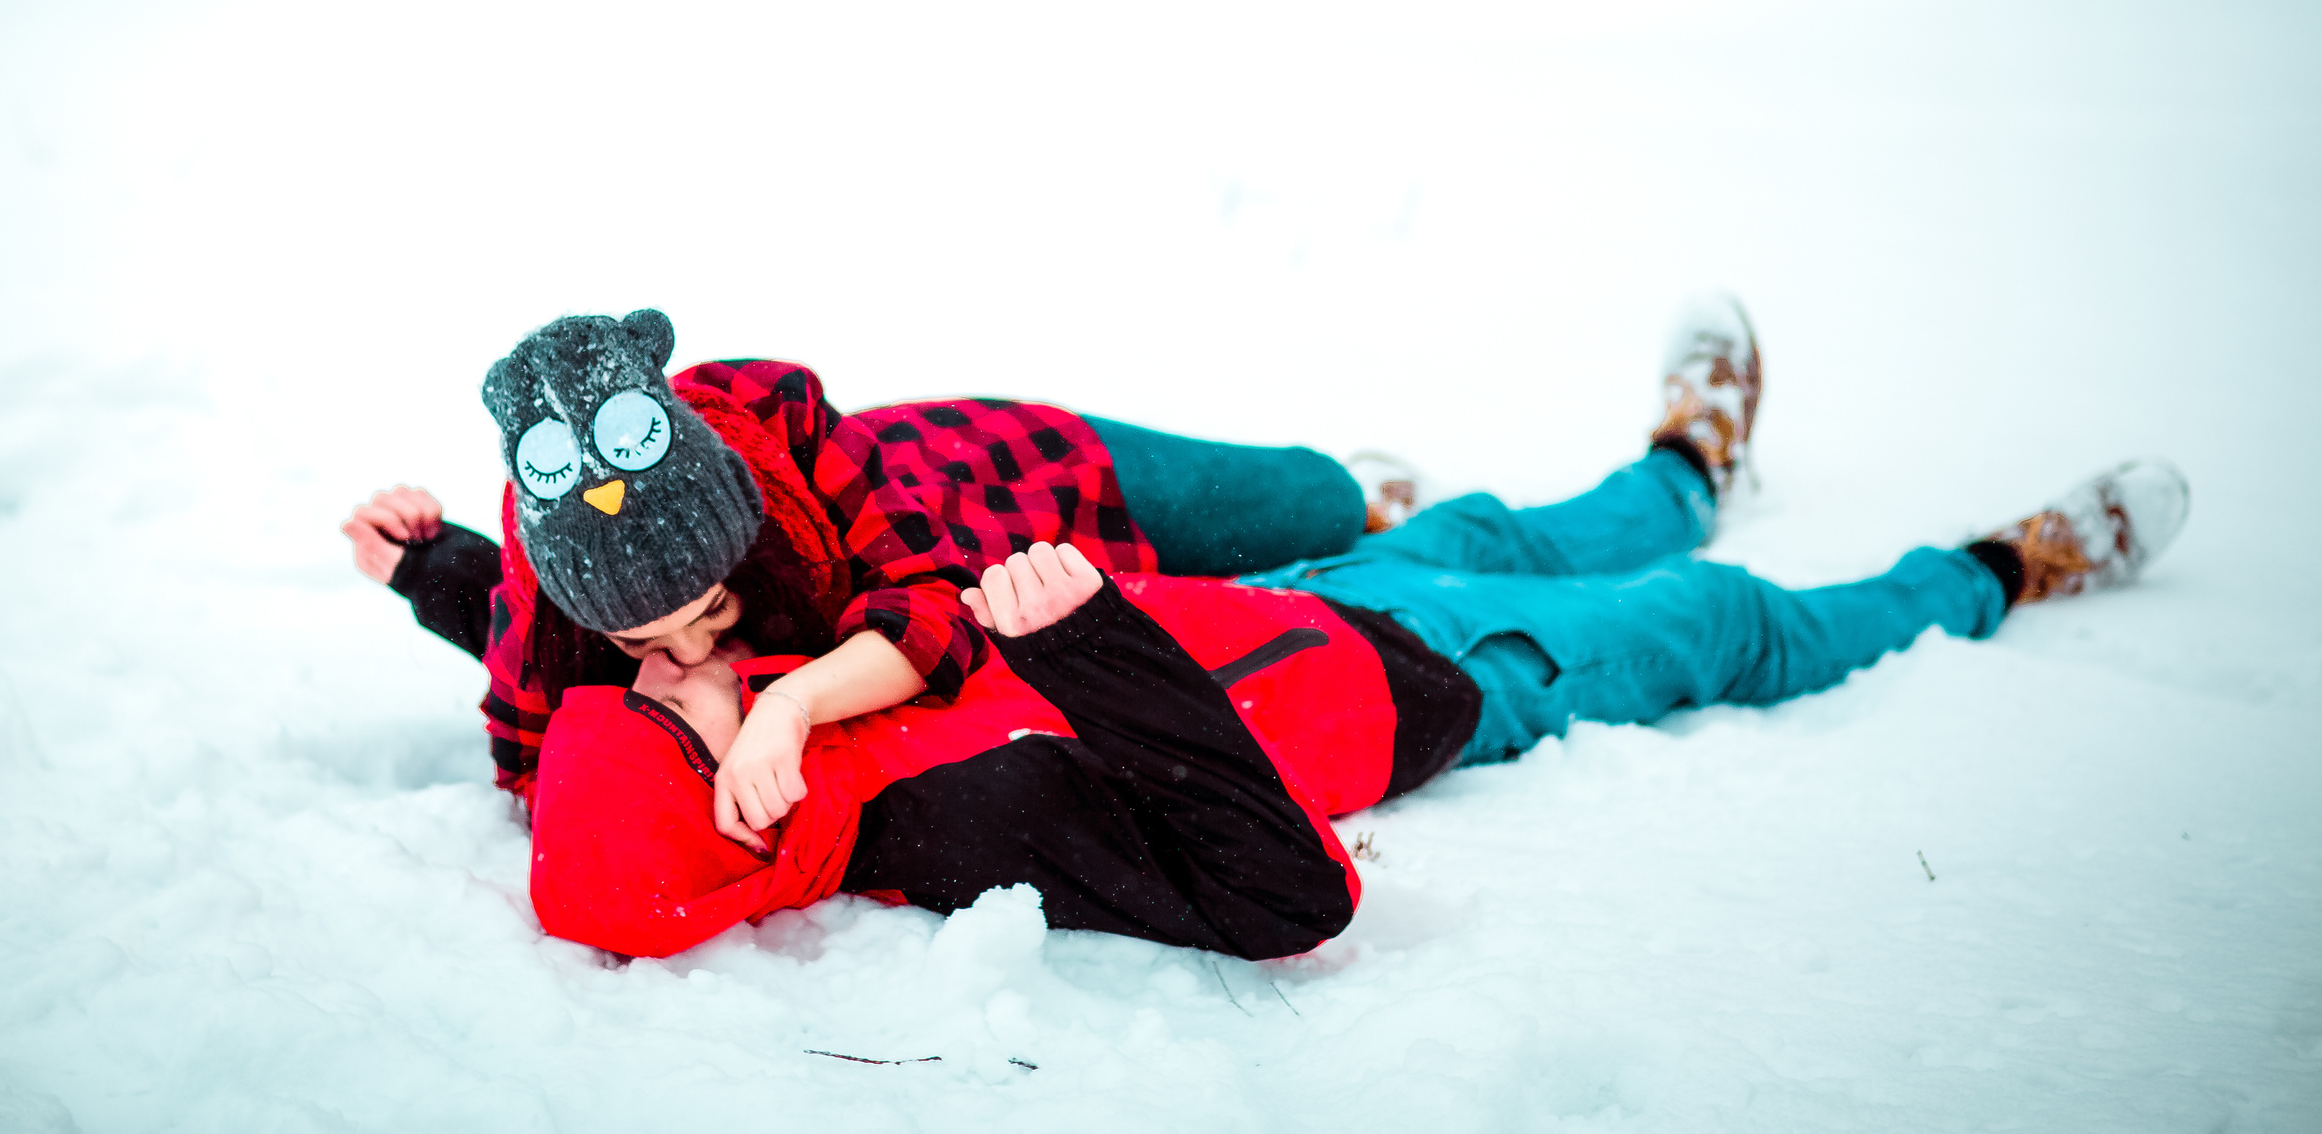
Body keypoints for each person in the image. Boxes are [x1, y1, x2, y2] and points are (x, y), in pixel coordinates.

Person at [356, 297, 2192, 960]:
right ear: (737, 828)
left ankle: (1685, 458)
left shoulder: (752, 681)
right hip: (1432, 695)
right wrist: (1088, 649)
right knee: (1703, 624)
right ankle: (1999, 567)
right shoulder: (942, 836)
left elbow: (585, 661)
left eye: (681, 656)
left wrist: (440, 573)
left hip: (1288, 606)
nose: (684, 668)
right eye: (672, 693)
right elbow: (1281, 895)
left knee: (1486, 520)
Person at [343, 307, 1376, 853]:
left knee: (1320, 505)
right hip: (1076, 594)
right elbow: (536, 730)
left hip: (1024, 471)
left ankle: (1379, 492)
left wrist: (790, 702)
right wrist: (424, 561)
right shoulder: (544, 593)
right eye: (646, 644)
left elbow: (931, 610)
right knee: (1337, 584)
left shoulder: (781, 428)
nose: (698, 652)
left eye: (713, 608)